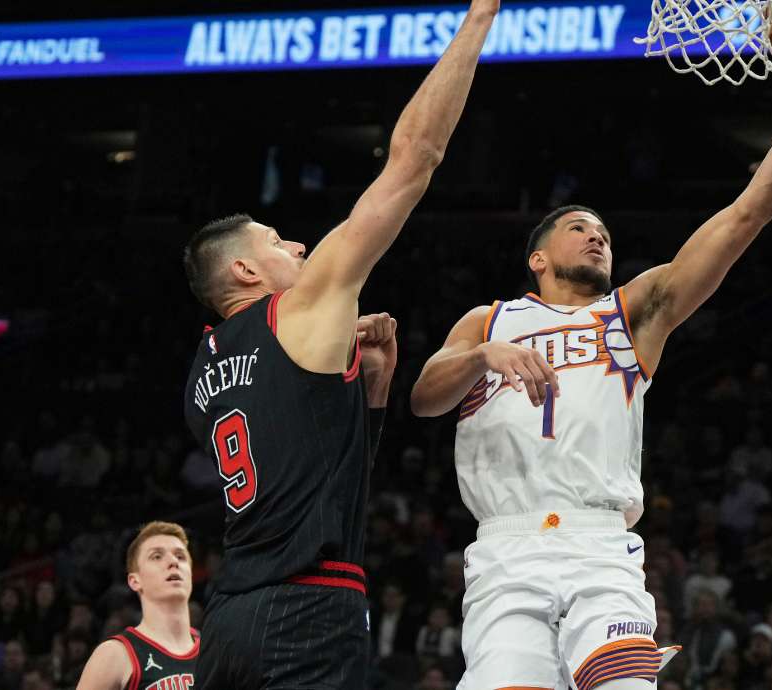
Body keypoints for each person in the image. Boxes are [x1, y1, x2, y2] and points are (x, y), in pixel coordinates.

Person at [409, 13, 772, 689]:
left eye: (603, 232)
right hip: (506, 548)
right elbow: (425, 398)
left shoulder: (633, 312)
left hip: (600, 544)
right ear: (537, 256)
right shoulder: (489, 321)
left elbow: (747, 213)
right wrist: (485, 357)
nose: (596, 238)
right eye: (579, 229)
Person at [180, 2, 498, 687]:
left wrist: (371, 391)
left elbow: (310, 456)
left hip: (229, 619)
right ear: (244, 271)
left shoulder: (200, 376)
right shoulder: (295, 309)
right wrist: (479, 18)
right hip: (309, 603)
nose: (295, 244)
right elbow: (415, 160)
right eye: (274, 241)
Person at [76, 522, 198, 690]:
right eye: (157, 556)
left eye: (180, 556)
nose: (173, 562)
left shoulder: (215, 652)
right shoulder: (115, 654)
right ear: (135, 581)